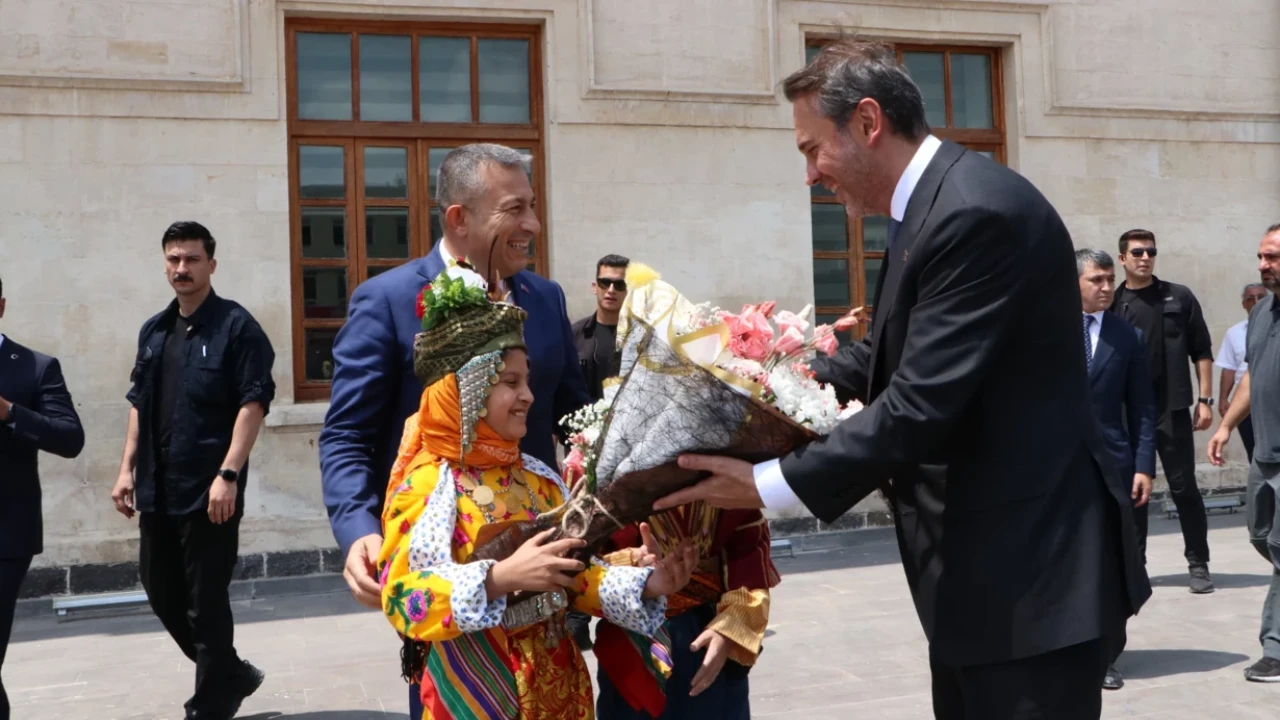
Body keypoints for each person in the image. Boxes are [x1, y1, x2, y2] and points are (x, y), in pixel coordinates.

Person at [657, 40, 1150, 719]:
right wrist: (755, 384)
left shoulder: (976, 212)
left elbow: (920, 405)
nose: (809, 175)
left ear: (867, 122)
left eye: (811, 149)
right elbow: (888, 360)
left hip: (1031, 587)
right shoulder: (931, 208)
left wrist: (767, 485)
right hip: (983, 588)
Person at [319, 144, 591, 715]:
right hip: (443, 574)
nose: (532, 226)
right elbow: (347, 434)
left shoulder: (546, 300)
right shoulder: (389, 302)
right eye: (514, 209)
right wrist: (358, 530)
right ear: (459, 219)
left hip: (538, 571)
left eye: (533, 207)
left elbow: (575, 419)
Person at [378, 262, 692, 718]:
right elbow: (403, 598)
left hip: (559, 692)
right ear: (461, 392)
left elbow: (573, 574)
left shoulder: (539, 478)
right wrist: (499, 578)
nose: (528, 395)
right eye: (510, 383)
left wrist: (648, 583)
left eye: (527, 381)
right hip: (477, 695)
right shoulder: (430, 484)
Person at [109, 221, 275, 720]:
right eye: (174, 259)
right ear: (165, 264)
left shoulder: (237, 327)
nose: (182, 269)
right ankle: (233, 672)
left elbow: (253, 403)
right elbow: (140, 403)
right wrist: (125, 471)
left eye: (192, 260)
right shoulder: (154, 330)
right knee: (161, 591)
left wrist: (228, 474)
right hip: (158, 486)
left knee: (206, 601)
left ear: (211, 265)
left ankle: (210, 705)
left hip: (210, 491)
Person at [1111, 228, 1216, 593]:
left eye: (1150, 251)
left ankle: (1198, 563)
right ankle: (1135, 565)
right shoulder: (1113, 302)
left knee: (1184, 488)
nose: (1145, 257)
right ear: (1123, 258)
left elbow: (1202, 350)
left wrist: (1205, 401)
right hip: (1126, 414)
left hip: (1171, 410)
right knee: (1133, 490)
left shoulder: (1178, 297)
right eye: (1137, 252)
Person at [0, 275, 85, 720]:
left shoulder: (34, 367)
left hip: (5, 532)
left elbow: (71, 438)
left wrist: (10, 412)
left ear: (0, 306)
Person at [1076, 249, 1156, 691]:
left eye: (1110, 279)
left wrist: (1144, 465)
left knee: (1114, 558)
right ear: (1075, 284)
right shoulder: (1049, 333)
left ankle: (1108, 655)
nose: (1107, 287)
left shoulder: (1127, 337)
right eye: (1097, 280)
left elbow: (1143, 408)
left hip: (1114, 466)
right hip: (1062, 468)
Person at [1207, 223, 1280, 684]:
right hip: (1265, 452)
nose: (1262, 264)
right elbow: (1252, 376)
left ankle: (1274, 647)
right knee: (1260, 535)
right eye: (1261, 255)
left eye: (1271, 256)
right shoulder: (1261, 312)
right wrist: (1227, 424)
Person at [1216, 283, 1268, 463]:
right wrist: (1224, 398)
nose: (1256, 302)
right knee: (1254, 452)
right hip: (1247, 405)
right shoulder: (1234, 333)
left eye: (1261, 297)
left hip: (1273, 403)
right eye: (1250, 299)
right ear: (1243, 304)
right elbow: (1229, 368)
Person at [573, 254, 630, 402]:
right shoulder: (574, 335)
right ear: (594, 287)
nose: (611, 290)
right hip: (583, 421)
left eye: (619, 285)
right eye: (605, 282)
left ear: (629, 290)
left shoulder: (640, 337)